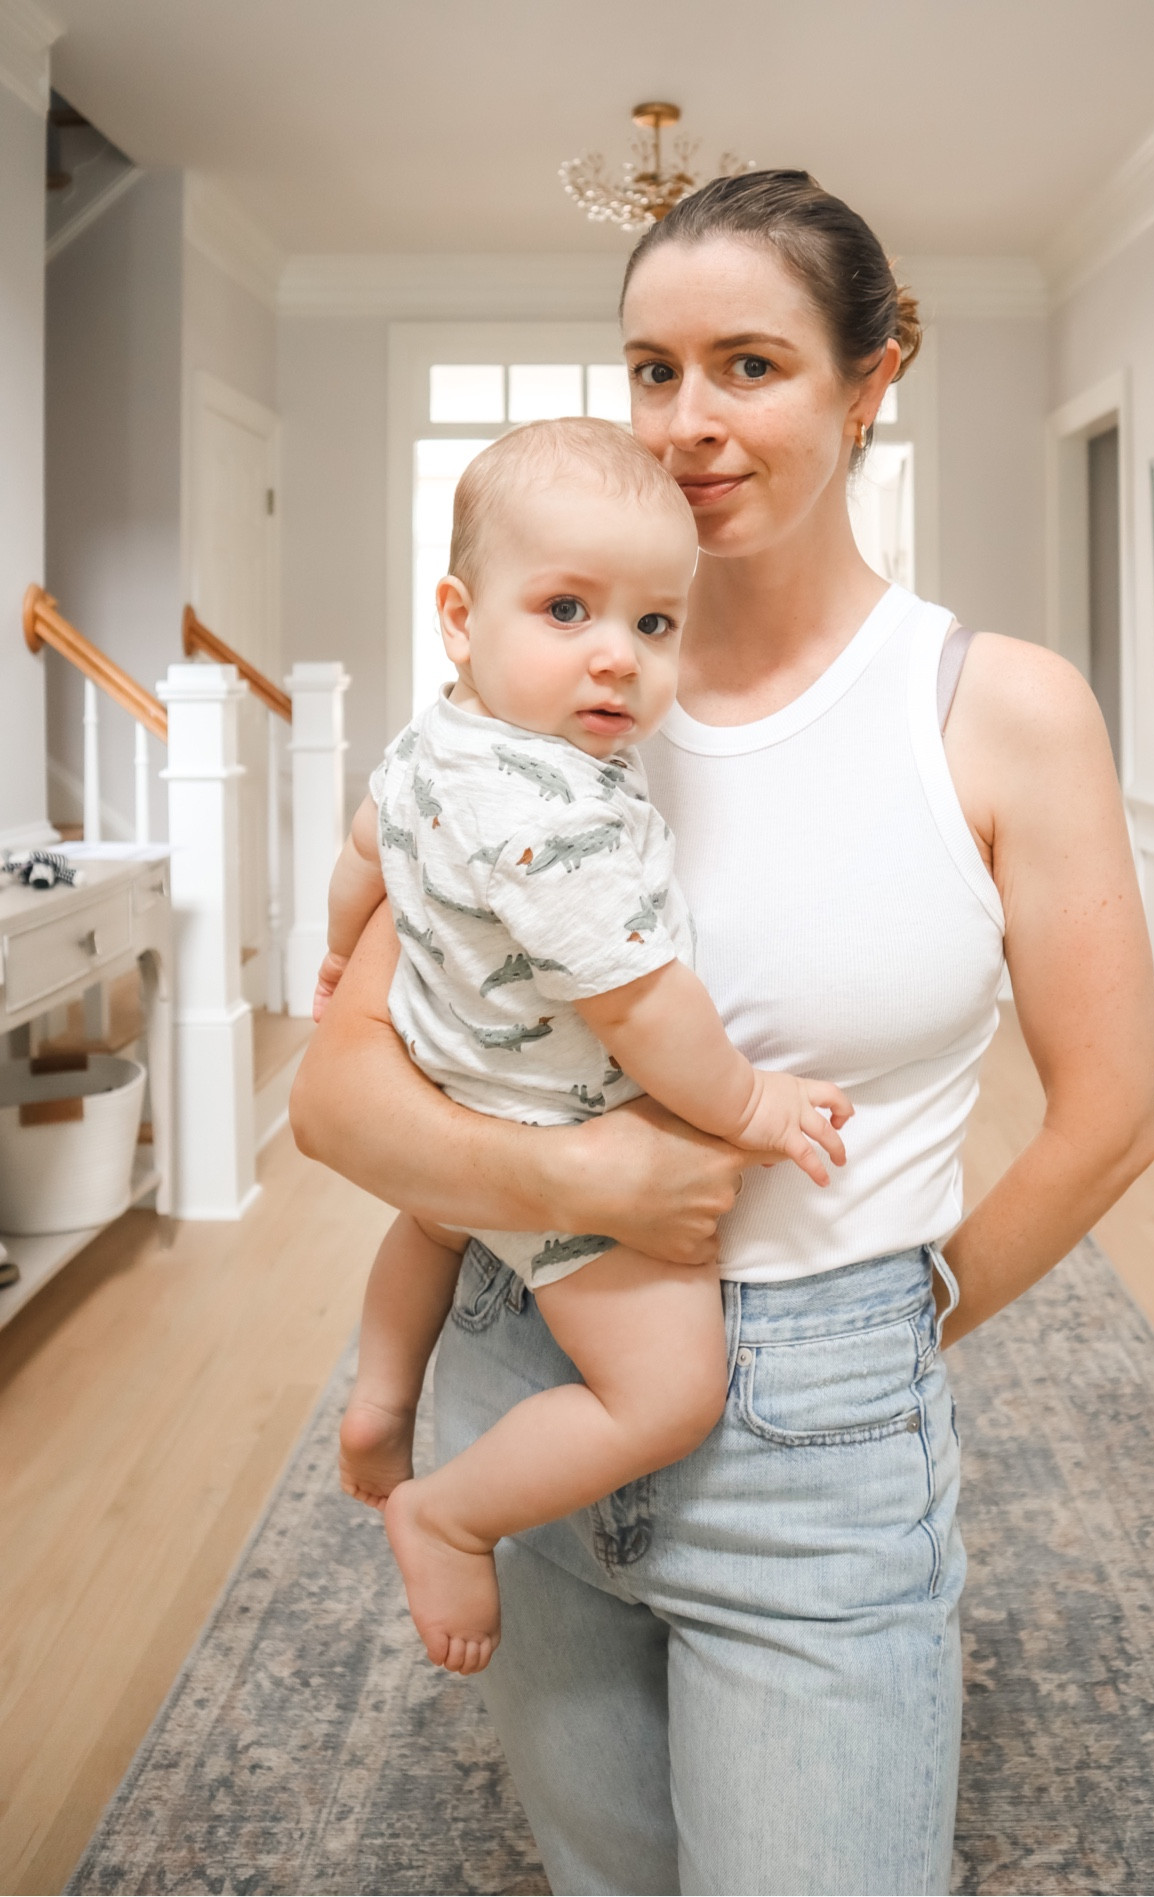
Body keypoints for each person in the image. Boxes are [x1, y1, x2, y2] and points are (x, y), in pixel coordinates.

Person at [292, 169, 1154, 1896]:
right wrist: (586, 1181)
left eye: (748, 365)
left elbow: (1110, 1117)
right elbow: (336, 1095)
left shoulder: (992, 709)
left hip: (820, 1435)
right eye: (652, 369)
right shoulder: (544, 709)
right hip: (523, 1366)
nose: (686, 421)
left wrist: (887, 1334)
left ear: (870, 378)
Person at [316, 418, 850, 1676]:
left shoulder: (437, 737)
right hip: (556, 1126)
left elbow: (362, 847)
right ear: (460, 618)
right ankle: (450, 1513)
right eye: (567, 611)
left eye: (654, 623)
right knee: (665, 1395)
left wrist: (342, 958)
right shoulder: (555, 816)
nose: (617, 656)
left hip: (450, 1085)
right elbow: (642, 1007)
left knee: (433, 1221)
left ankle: (381, 1397)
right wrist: (752, 1106)